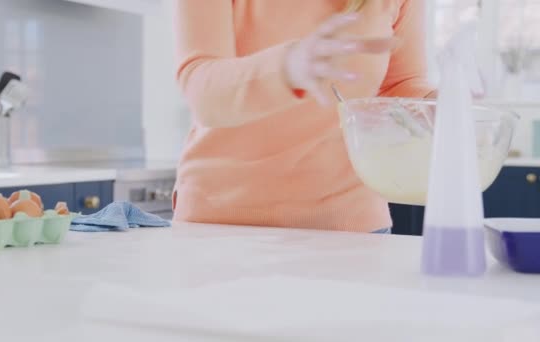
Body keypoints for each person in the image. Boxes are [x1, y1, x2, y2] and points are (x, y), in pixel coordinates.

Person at [172, 0, 436, 233]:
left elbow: (401, 84)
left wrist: (440, 105)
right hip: (219, 227)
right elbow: (203, 92)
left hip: (350, 228)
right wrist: (287, 66)